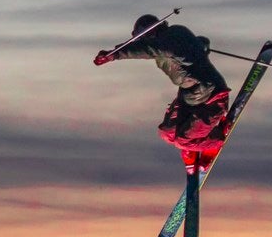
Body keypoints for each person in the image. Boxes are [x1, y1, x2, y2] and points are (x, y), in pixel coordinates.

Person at [93, 14, 232, 169]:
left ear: (150, 32)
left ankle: (216, 139)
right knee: (167, 133)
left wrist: (114, 54)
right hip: (190, 97)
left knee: (183, 140)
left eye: (143, 37)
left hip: (211, 97)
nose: (143, 41)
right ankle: (194, 147)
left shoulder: (170, 38)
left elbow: (149, 48)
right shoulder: (170, 42)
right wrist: (200, 44)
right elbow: (197, 44)